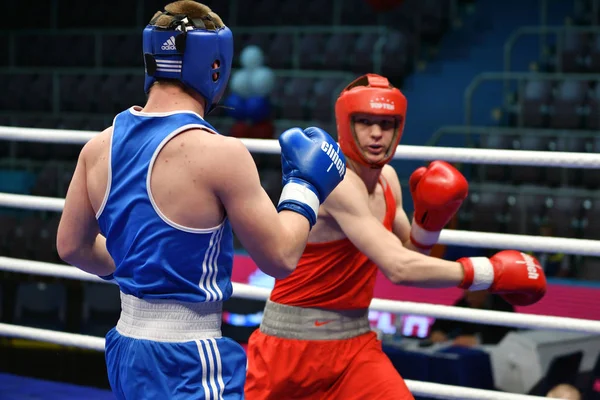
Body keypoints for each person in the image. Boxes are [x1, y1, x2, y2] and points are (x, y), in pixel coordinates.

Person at [55, 1, 345, 399]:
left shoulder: (97, 147)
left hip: (125, 345)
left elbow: (71, 246)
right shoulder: (220, 154)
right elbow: (279, 258)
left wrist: (143, 271)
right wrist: (304, 188)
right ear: (216, 66)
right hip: (189, 357)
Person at [244, 73, 548, 400]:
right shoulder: (337, 183)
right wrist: (490, 273)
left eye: (387, 124)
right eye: (365, 122)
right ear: (346, 124)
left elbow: (412, 252)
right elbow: (399, 267)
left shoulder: (388, 178)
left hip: (355, 346)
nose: (377, 134)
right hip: (292, 349)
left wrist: (429, 224)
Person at [428, 289, 516, 346]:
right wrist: (437, 331)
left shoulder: (503, 305)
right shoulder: (465, 303)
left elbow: (509, 335)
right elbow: (444, 321)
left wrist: (479, 340)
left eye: (472, 294)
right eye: (466, 295)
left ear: (484, 291)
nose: (469, 299)